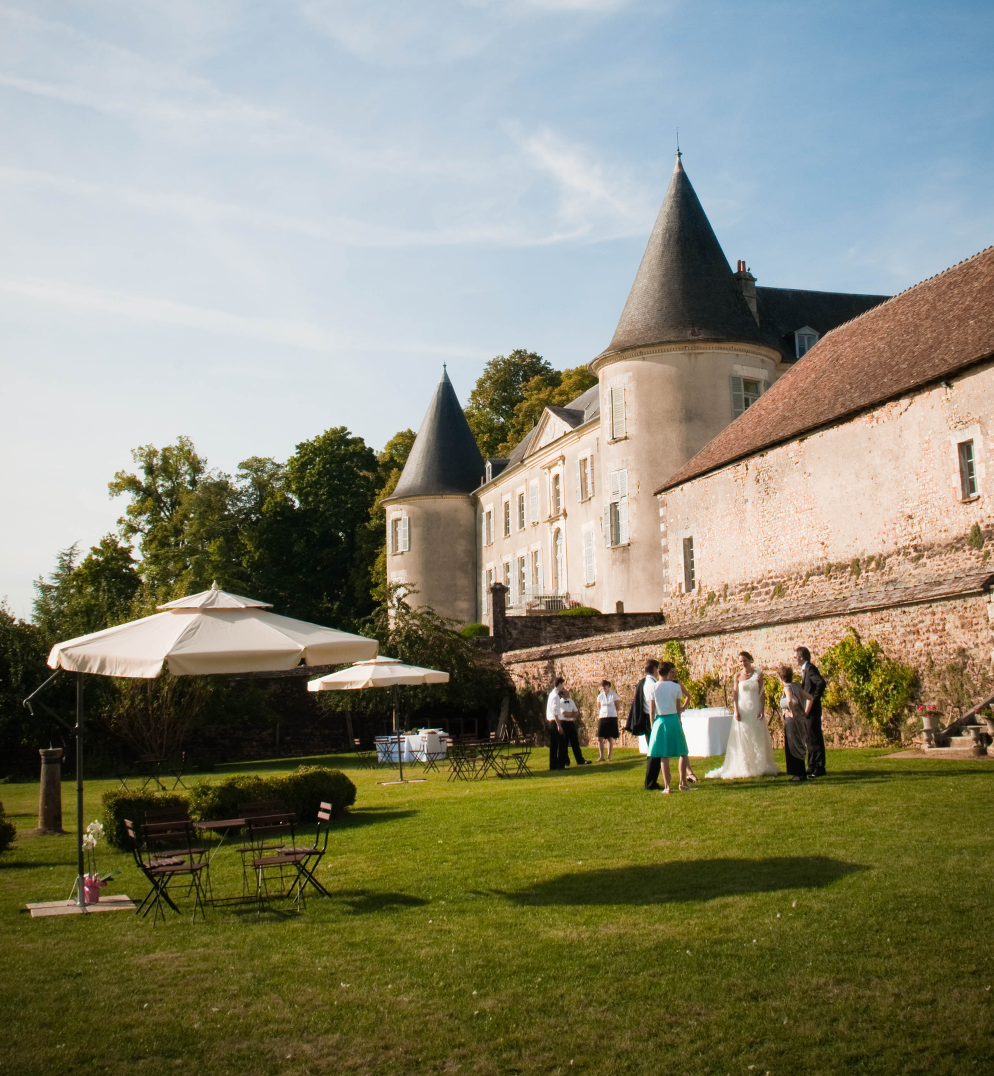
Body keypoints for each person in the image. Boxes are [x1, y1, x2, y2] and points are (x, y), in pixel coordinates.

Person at [706, 651, 780, 779]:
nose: (743, 663)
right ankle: (745, 763)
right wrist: (736, 709)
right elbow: (735, 693)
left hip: (755, 707)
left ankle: (759, 764)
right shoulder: (737, 676)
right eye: (740, 661)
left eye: (745, 660)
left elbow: (762, 693)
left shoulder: (758, 674)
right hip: (742, 708)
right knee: (743, 735)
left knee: (756, 734)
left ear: (750, 660)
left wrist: (762, 709)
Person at [646, 661, 693, 793]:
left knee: (663, 755)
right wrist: (678, 720)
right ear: (667, 673)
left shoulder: (653, 687)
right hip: (673, 719)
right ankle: (682, 782)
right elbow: (678, 708)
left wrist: (652, 725)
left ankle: (667, 787)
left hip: (660, 720)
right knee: (683, 751)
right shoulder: (675, 687)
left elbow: (652, 710)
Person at [795, 647, 827, 777]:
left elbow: (821, 683)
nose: (794, 659)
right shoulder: (805, 669)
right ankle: (812, 765)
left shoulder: (810, 668)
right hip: (807, 709)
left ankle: (819, 767)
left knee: (815, 738)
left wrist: (813, 698)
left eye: (795, 657)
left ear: (801, 657)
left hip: (812, 710)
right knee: (809, 738)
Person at [779, 666, 813, 783]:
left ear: (780, 677)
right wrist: (805, 712)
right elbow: (810, 698)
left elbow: (789, 700)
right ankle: (802, 773)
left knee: (793, 745)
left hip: (792, 721)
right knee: (800, 744)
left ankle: (797, 774)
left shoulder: (787, 687)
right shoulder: (797, 686)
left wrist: (792, 713)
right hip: (801, 719)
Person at [634, 659, 661, 790]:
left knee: (655, 752)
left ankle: (651, 781)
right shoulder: (651, 684)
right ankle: (650, 782)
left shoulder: (647, 682)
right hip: (651, 719)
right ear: (655, 669)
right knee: (654, 752)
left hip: (648, 719)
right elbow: (653, 704)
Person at [558, 689, 590, 766]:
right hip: (563, 723)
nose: (568, 693)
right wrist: (572, 714)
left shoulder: (571, 701)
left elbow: (576, 713)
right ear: (562, 694)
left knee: (575, 742)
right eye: (565, 692)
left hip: (571, 723)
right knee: (564, 743)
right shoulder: (560, 702)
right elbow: (565, 714)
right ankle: (565, 761)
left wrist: (571, 715)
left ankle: (580, 760)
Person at [596, 680, 621, 761]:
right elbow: (599, 707)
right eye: (602, 686)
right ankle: (601, 756)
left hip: (611, 717)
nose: (603, 688)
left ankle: (609, 756)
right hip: (602, 717)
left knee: (610, 737)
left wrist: (613, 713)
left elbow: (618, 707)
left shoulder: (614, 695)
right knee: (600, 737)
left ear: (608, 686)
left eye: (605, 686)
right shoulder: (600, 696)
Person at [546, 677, 568, 771]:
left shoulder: (552, 694)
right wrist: (559, 725)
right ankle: (560, 765)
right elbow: (555, 711)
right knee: (562, 743)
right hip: (554, 722)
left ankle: (553, 765)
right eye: (562, 684)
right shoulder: (555, 696)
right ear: (559, 684)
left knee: (554, 745)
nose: (563, 687)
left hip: (551, 722)